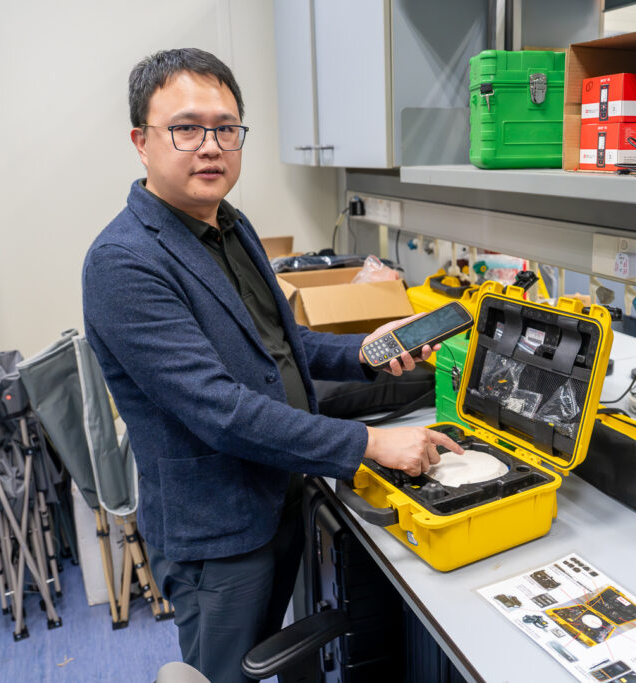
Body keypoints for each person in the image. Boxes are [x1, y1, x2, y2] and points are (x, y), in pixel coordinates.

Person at [82, 48, 462, 682]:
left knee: (280, 653)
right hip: (218, 531)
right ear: (141, 142)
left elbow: (282, 347)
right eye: (186, 127)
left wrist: (371, 350)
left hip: (280, 489)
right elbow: (219, 409)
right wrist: (369, 442)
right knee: (228, 673)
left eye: (226, 128)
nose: (210, 146)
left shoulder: (231, 225)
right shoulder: (124, 263)